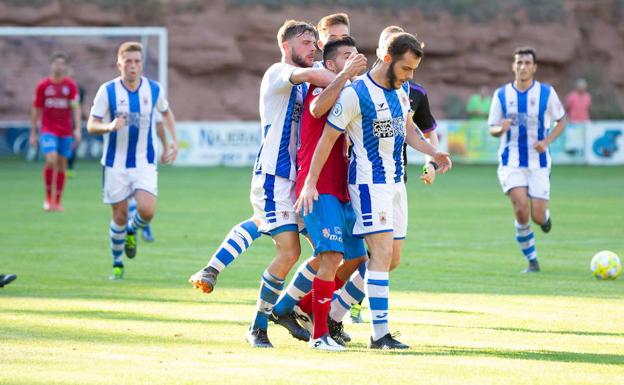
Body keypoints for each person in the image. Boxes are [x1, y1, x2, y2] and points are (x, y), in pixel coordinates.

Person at [296, 32, 451, 349]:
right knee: (379, 256)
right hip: (368, 184)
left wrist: (432, 152)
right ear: (388, 59)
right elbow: (326, 140)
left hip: (396, 183)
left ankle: (329, 314)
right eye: (406, 69)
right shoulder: (356, 93)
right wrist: (310, 181)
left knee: (391, 259)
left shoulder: (402, 90)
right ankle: (380, 335)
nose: (410, 76)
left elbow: (408, 129)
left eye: (413, 71)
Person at [188, 13, 351, 295]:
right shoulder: (278, 72)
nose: (313, 48)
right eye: (305, 43)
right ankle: (253, 301)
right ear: (286, 47)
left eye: (315, 42)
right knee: (283, 240)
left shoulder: (306, 84)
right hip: (274, 172)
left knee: (328, 249)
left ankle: (295, 307)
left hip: (298, 177)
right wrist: (348, 77)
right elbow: (315, 72)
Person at [87, 41, 178, 280]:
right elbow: (91, 124)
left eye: (137, 61)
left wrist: (172, 142)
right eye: (128, 61)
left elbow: (165, 114)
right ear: (119, 64)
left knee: (147, 211)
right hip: (114, 164)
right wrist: (109, 125)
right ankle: (117, 264)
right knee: (119, 214)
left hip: (144, 162)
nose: (133, 66)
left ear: (141, 64)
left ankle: (132, 230)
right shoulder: (107, 91)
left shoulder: (153, 89)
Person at [488, 47, 566, 273]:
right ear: (513, 66)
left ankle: (545, 218)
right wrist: (499, 129)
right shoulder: (502, 95)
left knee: (538, 216)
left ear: (534, 67)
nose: (523, 66)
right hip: (511, 161)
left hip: (539, 162)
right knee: (521, 207)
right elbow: (492, 128)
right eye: (519, 62)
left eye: (527, 63)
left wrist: (547, 141)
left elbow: (561, 121)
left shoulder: (547, 93)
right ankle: (532, 260)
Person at [30, 53, 81, 211]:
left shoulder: (71, 86)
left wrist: (78, 128)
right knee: (51, 159)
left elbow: (76, 107)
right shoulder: (43, 86)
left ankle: (57, 202)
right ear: (51, 66)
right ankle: (47, 199)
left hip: (65, 130)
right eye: (56, 63)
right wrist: (33, 132)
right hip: (48, 129)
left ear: (65, 67)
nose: (59, 66)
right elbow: (36, 109)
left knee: (61, 164)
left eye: (61, 64)